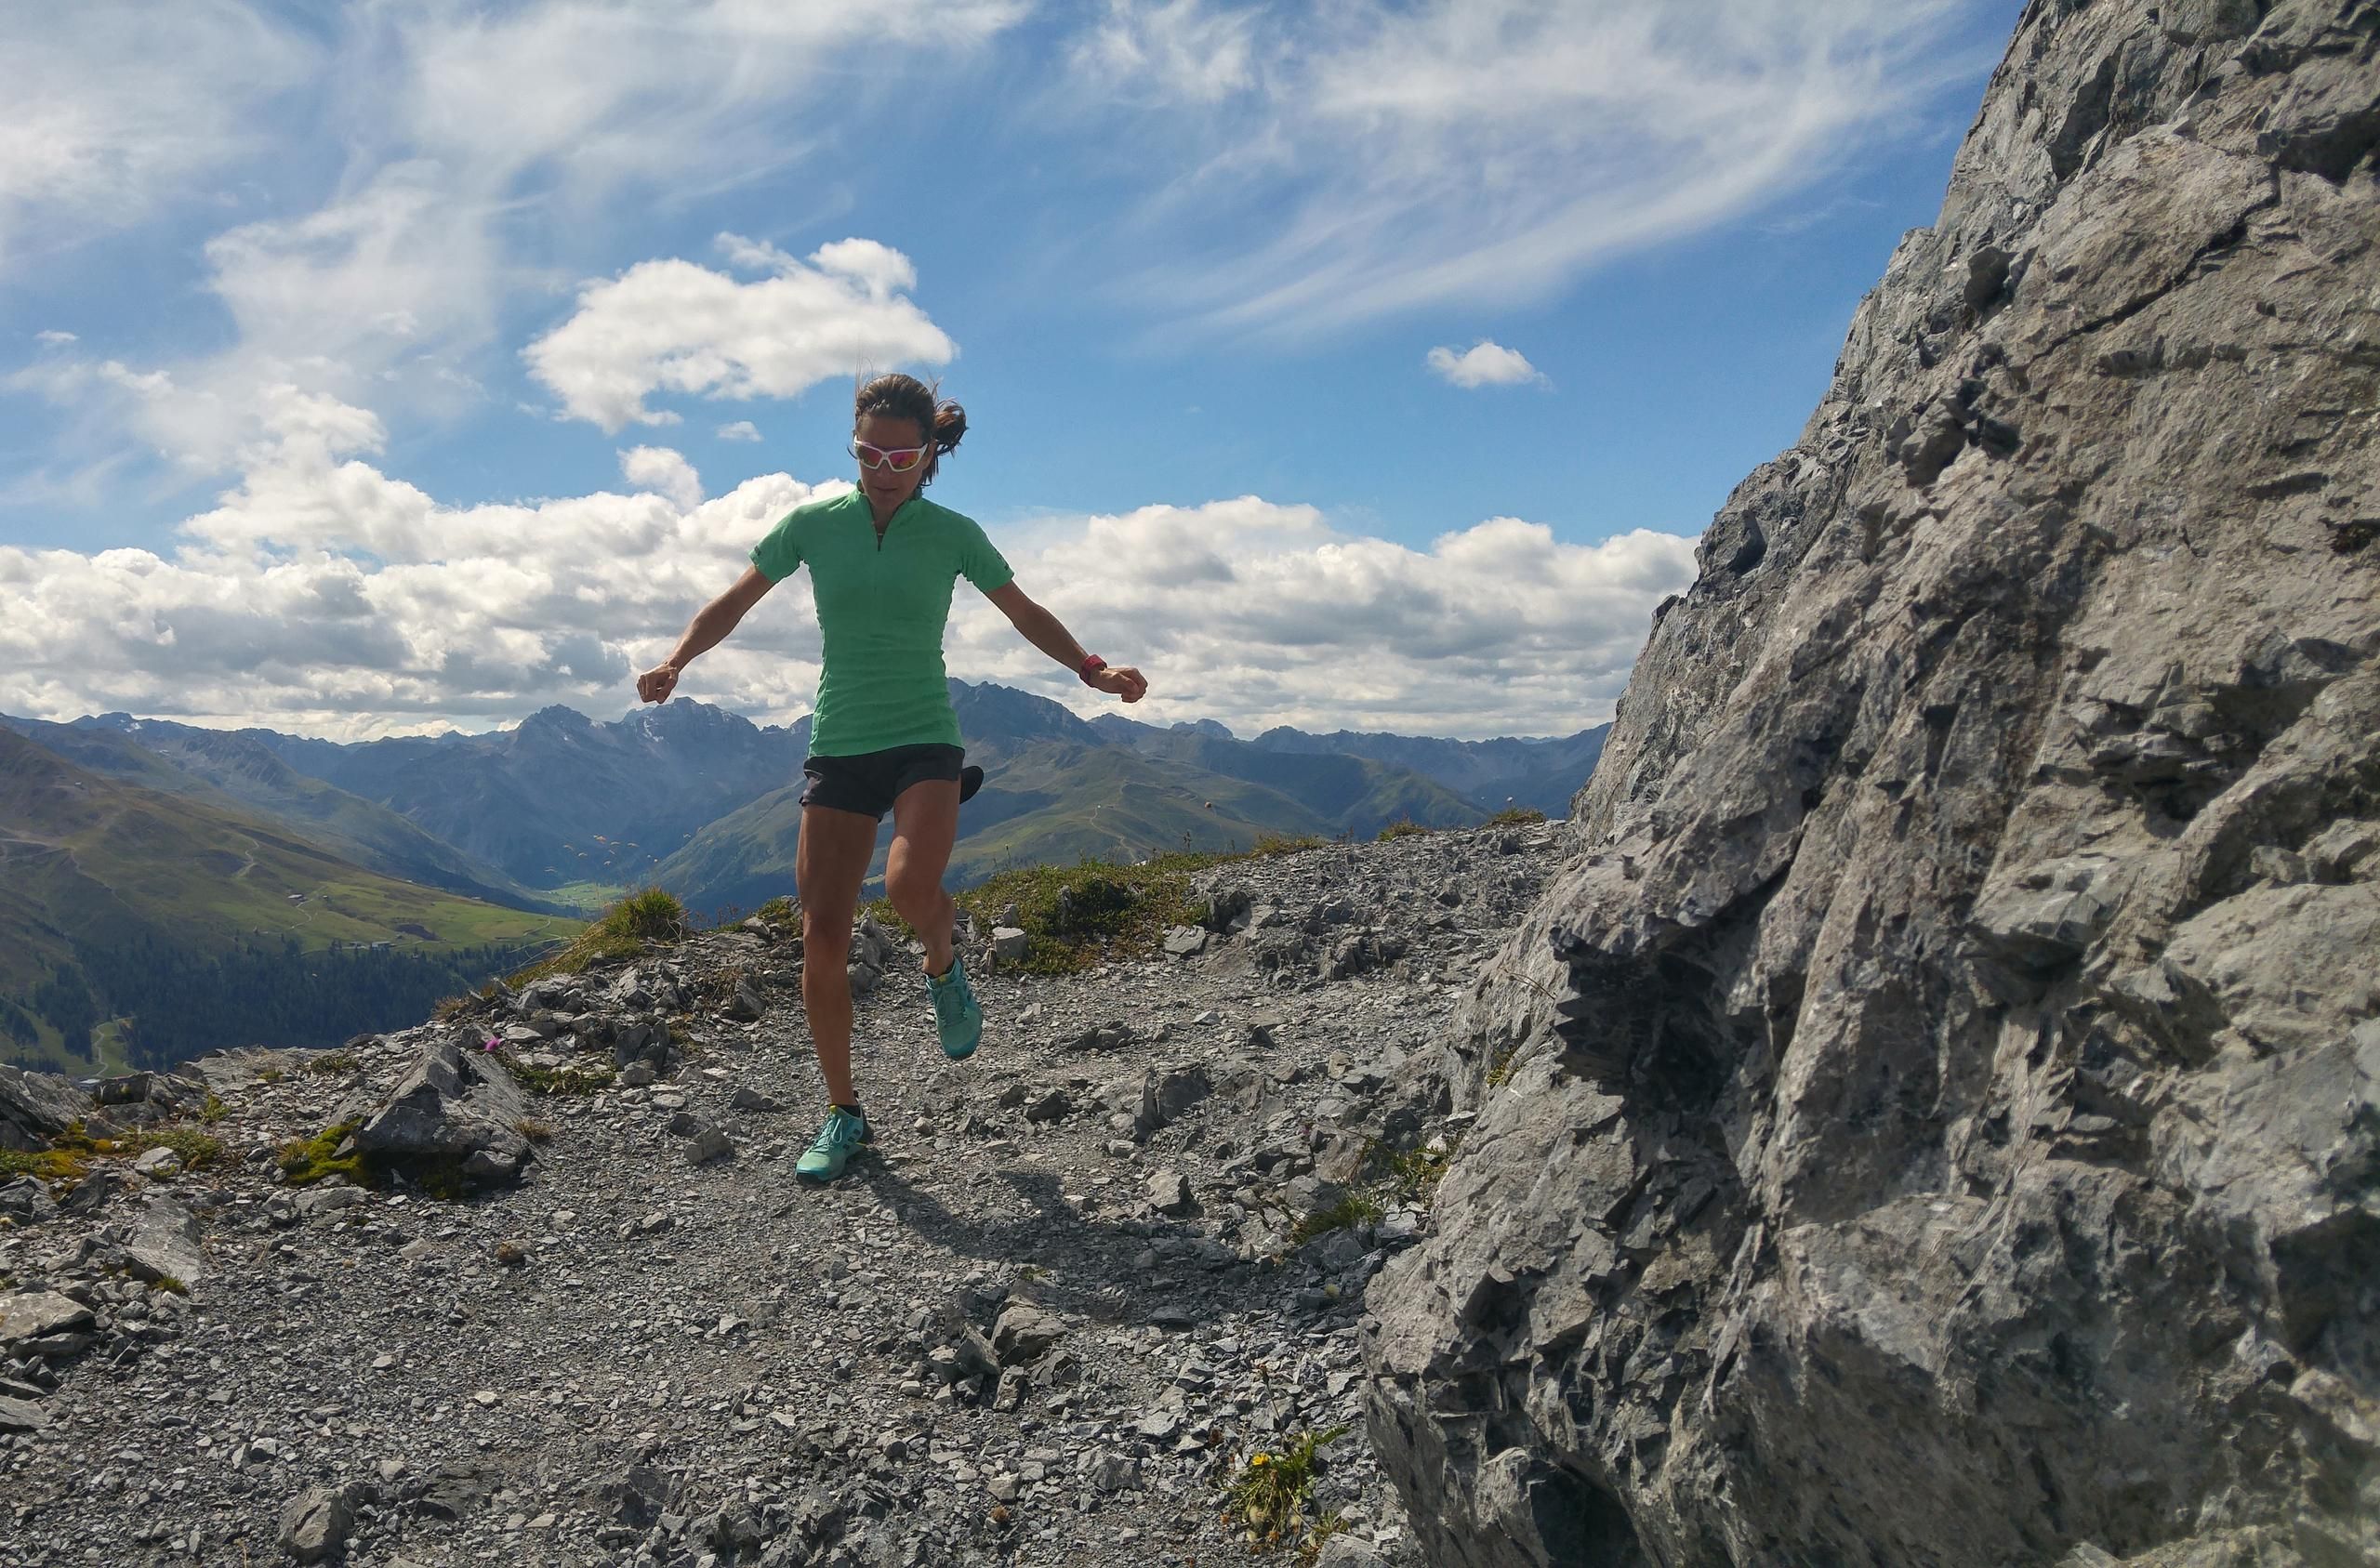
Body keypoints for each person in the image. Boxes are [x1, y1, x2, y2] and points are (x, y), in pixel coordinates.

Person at [636, 374, 1148, 1182]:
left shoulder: (952, 534)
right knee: (823, 937)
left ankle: (942, 957)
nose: (882, 467)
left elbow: (1022, 609)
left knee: (909, 888)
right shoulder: (813, 524)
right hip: (839, 743)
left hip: (923, 740)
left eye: (900, 454)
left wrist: (1091, 667)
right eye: (868, 451)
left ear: (928, 455)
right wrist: (676, 660)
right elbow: (735, 600)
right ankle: (845, 1115)